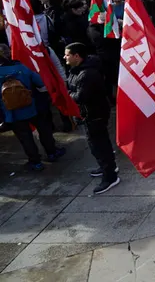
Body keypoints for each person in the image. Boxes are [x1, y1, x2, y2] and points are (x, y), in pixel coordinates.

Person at [64, 42, 120, 194]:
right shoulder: (77, 70)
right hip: (89, 114)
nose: (65, 57)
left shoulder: (87, 74)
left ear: (77, 56)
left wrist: (67, 95)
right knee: (98, 143)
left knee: (98, 144)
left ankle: (110, 176)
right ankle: (107, 167)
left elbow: (80, 96)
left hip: (94, 115)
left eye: (67, 55)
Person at [0, 44, 65, 171]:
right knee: (43, 130)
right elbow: (40, 82)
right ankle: (52, 153)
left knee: (25, 137)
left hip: (11, 112)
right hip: (31, 106)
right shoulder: (21, 67)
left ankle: (35, 162)